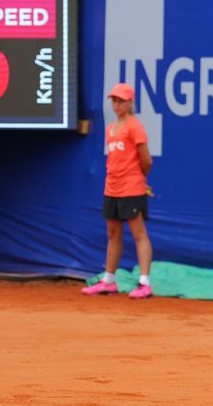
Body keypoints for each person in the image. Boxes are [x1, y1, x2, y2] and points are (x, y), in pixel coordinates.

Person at [82, 83, 154, 299]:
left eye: (121, 100)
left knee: (139, 234)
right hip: (111, 188)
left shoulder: (135, 127)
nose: (116, 104)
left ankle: (144, 283)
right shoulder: (110, 128)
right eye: (114, 100)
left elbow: (146, 160)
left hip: (132, 188)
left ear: (130, 102)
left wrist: (140, 180)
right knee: (113, 234)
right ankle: (109, 281)